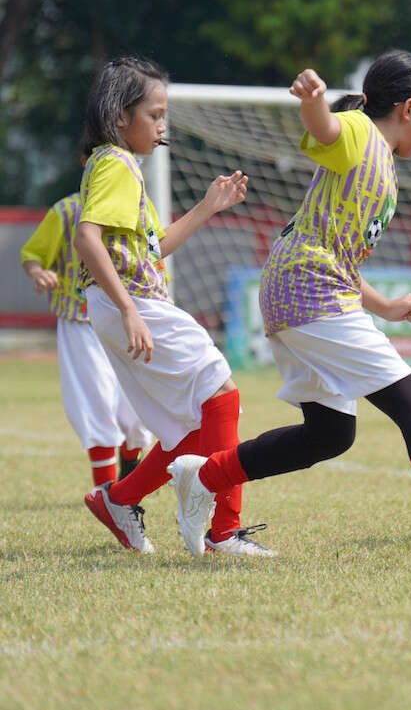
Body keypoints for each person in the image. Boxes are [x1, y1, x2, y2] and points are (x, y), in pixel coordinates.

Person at [165, 50, 411, 569]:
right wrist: (312, 101)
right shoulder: (359, 130)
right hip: (306, 290)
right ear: (409, 108)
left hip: (304, 288)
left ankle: (206, 476)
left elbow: (343, 255)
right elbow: (326, 128)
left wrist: (385, 306)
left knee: (330, 434)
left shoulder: (385, 165)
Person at [76, 56, 273, 557]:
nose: (163, 126)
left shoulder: (117, 164)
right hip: (130, 302)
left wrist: (207, 207)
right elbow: (86, 239)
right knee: (222, 394)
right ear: (121, 117)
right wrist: (128, 309)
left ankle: (118, 500)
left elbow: (151, 249)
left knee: (195, 422)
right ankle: (222, 531)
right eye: (154, 114)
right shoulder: (117, 164)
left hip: (125, 301)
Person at [21, 169, 152, 487]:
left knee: (136, 410)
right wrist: (38, 271)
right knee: (96, 406)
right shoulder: (67, 211)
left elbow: (157, 250)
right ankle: (107, 494)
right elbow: (33, 254)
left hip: (129, 320)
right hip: (80, 321)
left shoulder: (139, 206)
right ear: (88, 162)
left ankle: (128, 484)